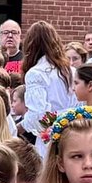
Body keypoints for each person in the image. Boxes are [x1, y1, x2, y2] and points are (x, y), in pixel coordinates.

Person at [20, 21, 75, 155]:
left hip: (50, 140)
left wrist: (19, 127)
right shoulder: (72, 71)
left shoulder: (36, 74)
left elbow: (39, 116)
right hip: (74, 135)